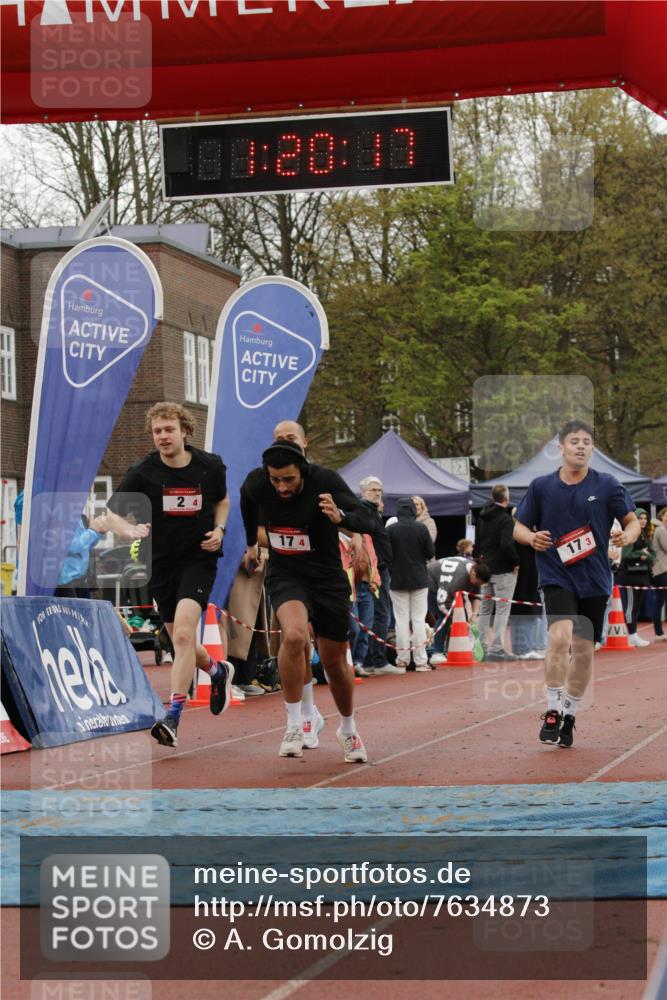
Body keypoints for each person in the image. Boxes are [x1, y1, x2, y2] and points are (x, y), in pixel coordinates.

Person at [106, 402, 233, 749]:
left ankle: (173, 716)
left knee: (181, 640)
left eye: (168, 430)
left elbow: (222, 500)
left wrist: (220, 529)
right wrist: (130, 530)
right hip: (160, 564)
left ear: (184, 431)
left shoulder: (209, 465)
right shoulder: (143, 472)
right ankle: (218, 671)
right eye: (157, 431)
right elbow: (111, 514)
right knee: (185, 641)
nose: (162, 437)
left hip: (199, 559)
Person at [240, 440, 375, 762]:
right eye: (276, 480)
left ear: (302, 470)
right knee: (296, 635)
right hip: (287, 573)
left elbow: (367, 519)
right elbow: (246, 506)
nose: (282, 487)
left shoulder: (324, 481)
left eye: (288, 479)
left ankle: (348, 728)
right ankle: (294, 723)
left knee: (334, 663)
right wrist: (251, 546)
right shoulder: (257, 483)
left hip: (327, 577)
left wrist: (340, 517)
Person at [514, 420, 639, 748]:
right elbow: (518, 527)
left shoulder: (608, 484)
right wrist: (532, 538)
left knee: (584, 651)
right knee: (560, 636)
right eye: (574, 441)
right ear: (561, 448)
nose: (581, 446)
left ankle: (569, 714)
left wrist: (627, 535)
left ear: (591, 448)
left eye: (586, 442)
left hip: (595, 578)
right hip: (556, 574)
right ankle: (553, 708)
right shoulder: (542, 486)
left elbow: (633, 520)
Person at [14, 489, 109, 598]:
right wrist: (93, 531)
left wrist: (98, 531)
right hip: (54, 578)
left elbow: (84, 547)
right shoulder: (40, 500)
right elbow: (71, 546)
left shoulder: (73, 511)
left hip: (77, 578)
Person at [387, 497, 435, 671]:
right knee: (418, 620)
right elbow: (430, 552)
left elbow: (385, 555)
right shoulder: (421, 528)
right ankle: (421, 660)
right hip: (419, 579)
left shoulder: (390, 530)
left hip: (398, 580)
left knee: (400, 621)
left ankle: (402, 659)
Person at [475, 484, 520, 661]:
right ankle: (497, 648)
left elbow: (477, 543)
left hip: (486, 568)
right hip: (503, 569)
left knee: (485, 609)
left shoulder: (482, 517)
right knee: (502, 609)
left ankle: (481, 646)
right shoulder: (505, 519)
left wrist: (480, 561)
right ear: (506, 498)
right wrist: (516, 561)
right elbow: (506, 544)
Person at [358, 476, 397, 675]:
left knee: (377, 614)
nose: (378, 493)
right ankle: (376, 660)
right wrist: (374, 568)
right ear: (364, 492)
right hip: (374, 570)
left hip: (379, 568)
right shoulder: (364, 513)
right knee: (379, 614)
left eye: (380, 490)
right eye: (374, 489)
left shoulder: (373, 513)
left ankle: (370, 659)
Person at [427, 556, 491, 663]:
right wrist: (459, 621)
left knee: (459, 620)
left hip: (446, 587)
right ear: (473, 573)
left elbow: (476, 596)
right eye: (478, 583)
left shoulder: (476, 573)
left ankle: (444, 649)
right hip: (430, 583)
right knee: (445, 618)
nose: (477, 585)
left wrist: (474, 615)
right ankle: (437, 653)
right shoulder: (458, 579)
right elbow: (443, 604)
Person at [616, 508, 654, 646]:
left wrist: (647, 555)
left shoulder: (644, 535)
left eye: (645, 518)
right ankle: (631, 634)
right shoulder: (631, 535)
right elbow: (625, 554)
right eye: (640, 518)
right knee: (631, 606)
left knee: (636, 606)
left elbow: (652, 555)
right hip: (629, 576)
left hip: (641, 576)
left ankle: (634, 633)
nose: (643, 521)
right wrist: (640, 553)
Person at [651, 507, 667, 641]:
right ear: (662, 516)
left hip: (661, 570)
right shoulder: (661, 529)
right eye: (666, 515)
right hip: (662, 570)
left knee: (660, 601)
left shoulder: (661, 529)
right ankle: (658, 632)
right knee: (660, 601)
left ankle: (659, 632)